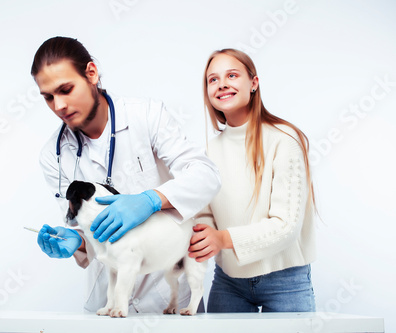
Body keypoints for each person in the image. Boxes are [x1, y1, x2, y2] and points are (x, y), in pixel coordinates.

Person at [30, 36, 221, 313]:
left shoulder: (147, 115)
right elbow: (82, 228)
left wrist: (151, 200)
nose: (58, 105)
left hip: (167, 291)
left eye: (66, 89)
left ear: (91, 74)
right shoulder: (53, 154)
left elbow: (205, 175)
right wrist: (76, 240)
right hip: (106, 299)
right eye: (48, 97)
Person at [188, 49, 316, 313]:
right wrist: (205, 235)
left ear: (253, 83)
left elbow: (286, 226)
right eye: (213, 79)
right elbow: (204, 213)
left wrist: (222, 239)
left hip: (285, 280)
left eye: (232, 75)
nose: (222, 84)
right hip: (229, 281)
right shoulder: (207, 151)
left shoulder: (285, 139)